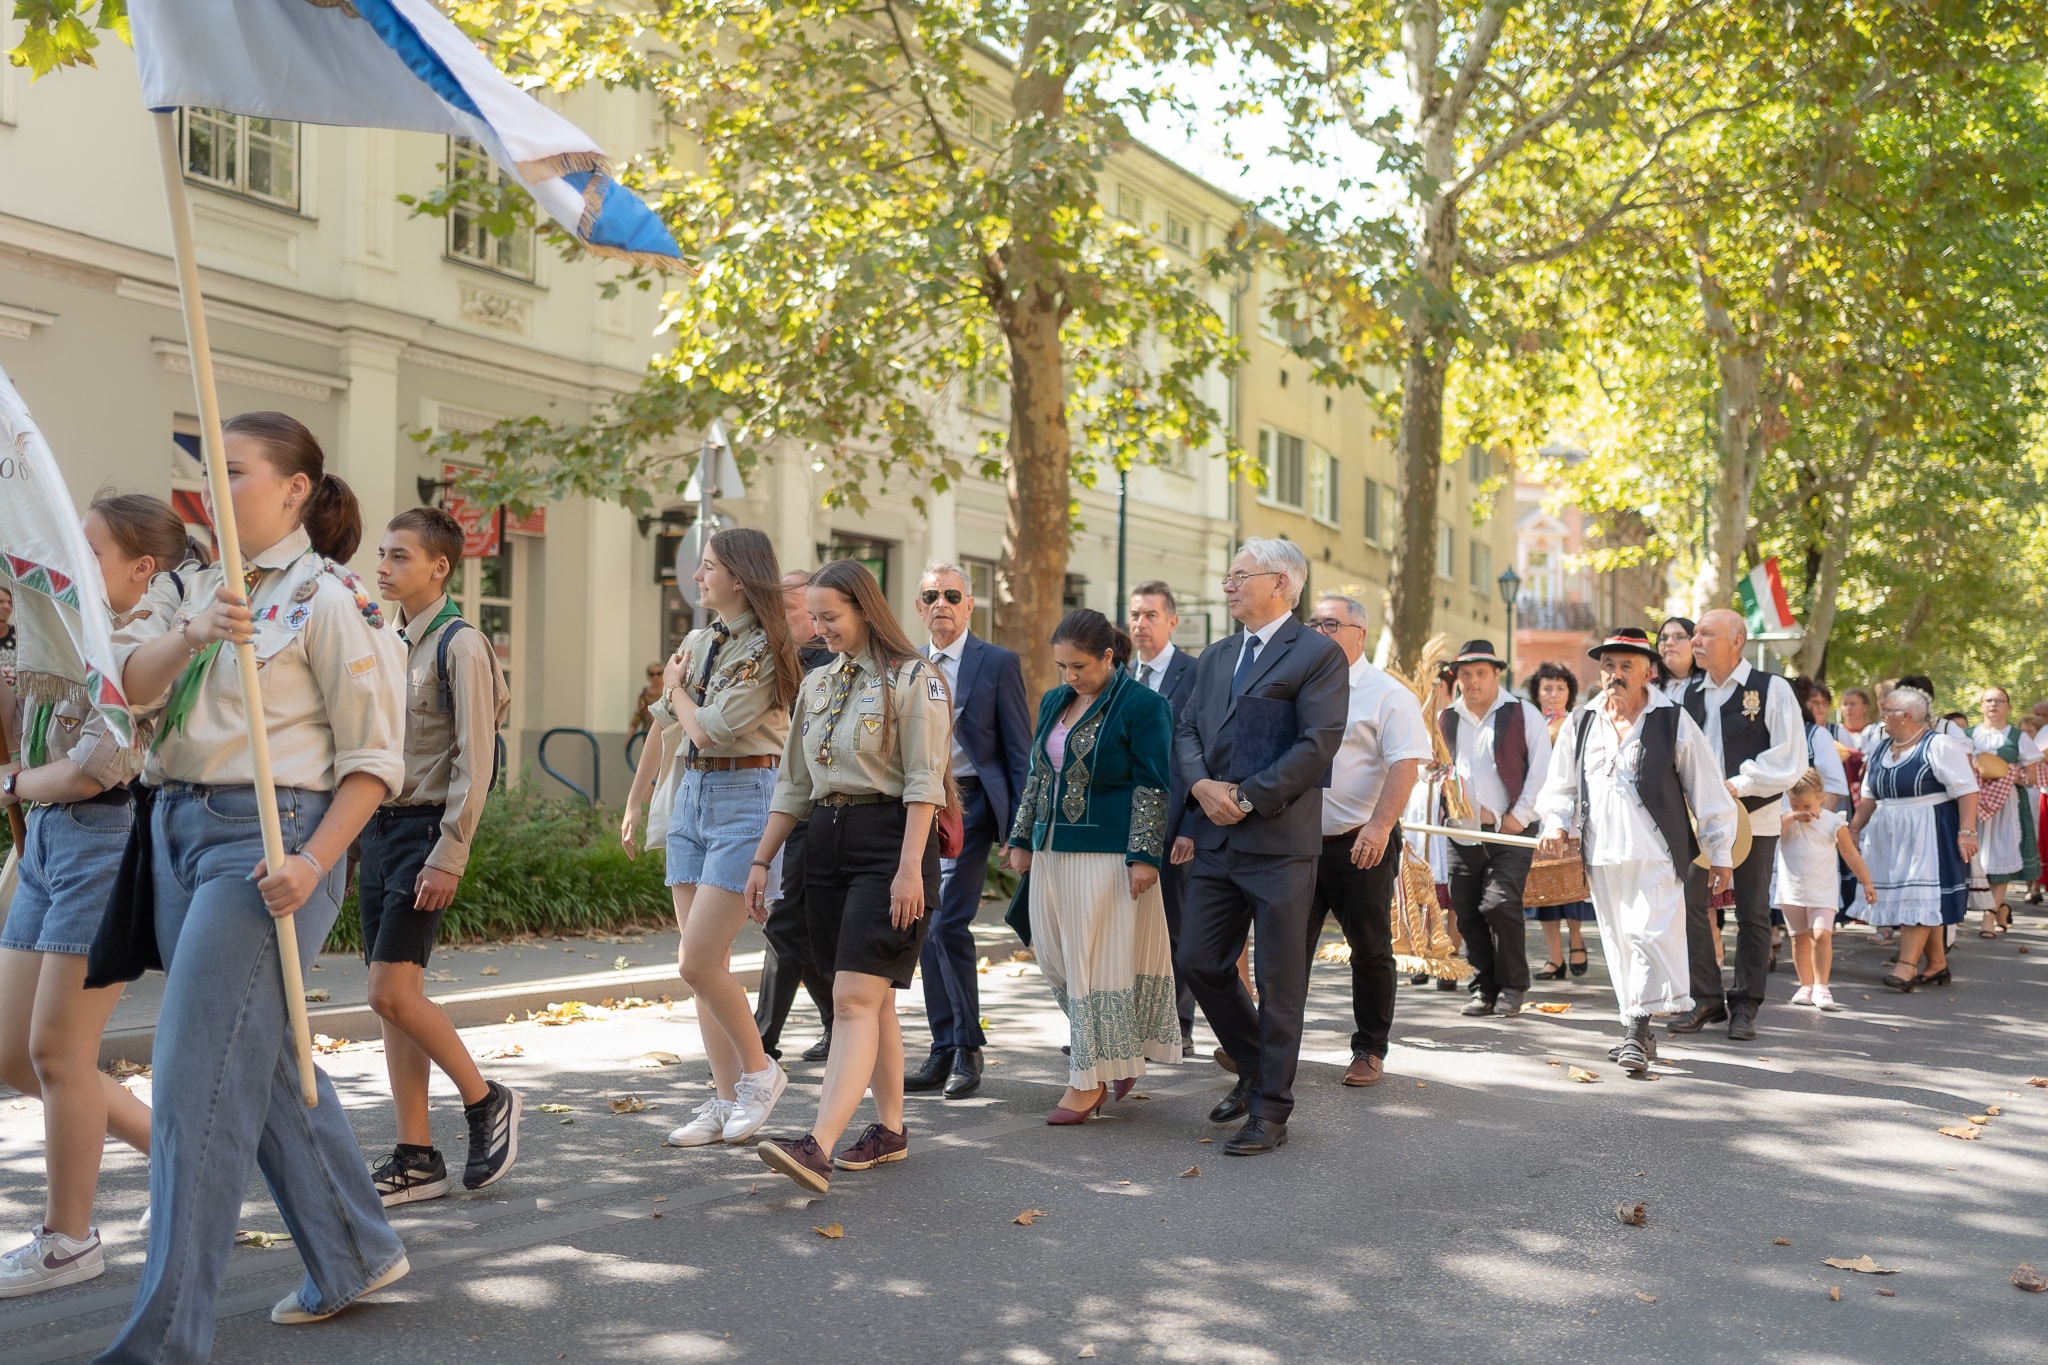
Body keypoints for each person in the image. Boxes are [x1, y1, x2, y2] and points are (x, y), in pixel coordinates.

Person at [102, 411, 409, 1357]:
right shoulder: (188, 585)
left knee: (193, 1079)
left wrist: (314, 862)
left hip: (273, 840)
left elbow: (374, 762)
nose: (212, 485)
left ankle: (166, 1337)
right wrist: (194, 632)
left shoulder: (333, 598)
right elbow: (128, 684)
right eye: (208, 468)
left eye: (233, 470)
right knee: (259, 1052)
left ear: (294, 488)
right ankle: (353, 1248)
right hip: (173, 829)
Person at [0, 494, 187, 1297]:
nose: (71, 561)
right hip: (47, 840)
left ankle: (69, 1238)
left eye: (90, 549)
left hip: (102, 840)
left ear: (141, 568)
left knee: (57, 1052)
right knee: (15, 1052)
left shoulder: (142, 645)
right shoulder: (62, 628)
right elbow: (26, 731)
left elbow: (95, 768)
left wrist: (13, 783)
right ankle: (184, 1162)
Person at [746, 560, 951, 1194]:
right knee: (873, 997)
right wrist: (761, 861)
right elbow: (793, 785)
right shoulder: (818, 682)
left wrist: (911, 869)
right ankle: (890, 1130)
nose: (819, 628)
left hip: (890, 843)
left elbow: (925, 781)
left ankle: (818, 1146)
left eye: (830, 616)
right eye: (814, 616)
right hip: (824, 843)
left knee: (854, 999)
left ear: (865, 608)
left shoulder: (916, 678)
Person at [357, 507, 519, 1206]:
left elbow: (476, 763)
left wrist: (450, 852)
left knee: (389, 992)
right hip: (378, 830)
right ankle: (416, 1153)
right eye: (382, 554)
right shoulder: (386, 640)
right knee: (396, 1002)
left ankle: (486, 1099)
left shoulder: (461, 645)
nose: (383, 566)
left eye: (399, 556)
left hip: (426, 833)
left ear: (439, 567)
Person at [1172, 538, 1348, 1156]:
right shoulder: (1217, 655)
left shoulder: (1318, 655)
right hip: (1216, 837)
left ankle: (1271, 1108)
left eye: (1239, 576)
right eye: (1228, 576)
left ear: (1280, 583)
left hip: (1279, 843)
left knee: (1279, 981)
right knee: (1197, 960)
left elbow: (1316, 745)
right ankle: (1253, 1066)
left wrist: (1245, 798)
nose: (1228, 586)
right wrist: (1202, 787)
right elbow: (1186, 728)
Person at [634, 528, 801, 1148]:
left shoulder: (765, 649)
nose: (698, 577)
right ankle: (726, 1096)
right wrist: (635, 800)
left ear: (739, 576)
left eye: (707, 567)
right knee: (706, 969)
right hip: (693, 796)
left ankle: (761, 1073)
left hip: (744, 797)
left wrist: (675, 689)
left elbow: (707, 728)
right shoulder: (699, 640)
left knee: (697, 960)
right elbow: (667, 724)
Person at [1535, 629, 1737, 1077]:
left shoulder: (1673, 720)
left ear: (1648, 673)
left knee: (1648, 935)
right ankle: (1638, 1030)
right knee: (1620, 943)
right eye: (1609, 666)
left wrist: (1720, 851)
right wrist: (1555, 823)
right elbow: (1560, 785)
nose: (1616, 674)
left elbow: (1707, 788)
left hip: (1658, 852)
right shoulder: (1582, 721)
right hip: (1602, 853)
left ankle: (1636, 1030)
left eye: (1626, 666)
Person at [1004, 609, 1179, 1122]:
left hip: (1106, 857)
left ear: (1108, 656)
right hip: (1050, 852)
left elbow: (1153, 785)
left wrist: (1144, 856)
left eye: (1079, 666)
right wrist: (1021, 837)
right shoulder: (1055, 700)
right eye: (1062, 666)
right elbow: (1038, 774)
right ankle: (1115, 1051)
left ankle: (1087, 1080)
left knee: (1090, 967)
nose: (1070, 676)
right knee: (1055, 959)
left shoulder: (1144, 705)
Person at [905, 562, 1029, 1101]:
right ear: (919, 607)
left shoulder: (997, 662)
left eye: (952, 595)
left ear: (970, 604)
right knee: (922, 924)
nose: (942, 604)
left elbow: (1020, 751)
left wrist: (1021, 830)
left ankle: (966, 1048)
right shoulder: (906, 664)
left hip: (972, 802)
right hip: (918, 805)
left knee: (946, 922)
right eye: (931, 595)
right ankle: (942, 1047)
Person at [1304, 595, 1430, 1087]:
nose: (1318, 632)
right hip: (1297, 843)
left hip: (1361, 843)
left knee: (1370, 949)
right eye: (1313, 623)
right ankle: (1268, 1045)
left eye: (1330, 624)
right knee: (1285, 948)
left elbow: (1405, 765)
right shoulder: (1299, 687)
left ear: (1360, 633)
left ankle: (1370, 1049)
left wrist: (1378, 828)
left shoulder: (1387, 694)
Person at [1671, 609, 1805, 1042]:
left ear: (1737, 640)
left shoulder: (1771, 689)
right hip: (1700, 822)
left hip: (1755, 819)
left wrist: (1738, 783)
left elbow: (1790, 758)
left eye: (1706, 634)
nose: (1695, 641)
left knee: (1752, 912)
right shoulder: (1686, 693)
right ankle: (1705, 998)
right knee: (1690, 905)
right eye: (1695, 634)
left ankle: (1746, 1005)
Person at [750, 568, 839, 1063]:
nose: (776, 619)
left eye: (786, 610)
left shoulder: (825, 663)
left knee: (784, 923)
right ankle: (837, 1020)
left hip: (813, 810)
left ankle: (760, 1041)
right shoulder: (778, 657)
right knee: (796, 927)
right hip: (779, 805)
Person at [1441, 639, 1552, 1018]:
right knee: (1467, 911)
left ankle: (1513, 986)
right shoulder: (1445, 718)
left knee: (1500, 903)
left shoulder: (1522, 713)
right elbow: (1429, 770)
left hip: (1510, 830)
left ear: (1496, 675)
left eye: (1481, 673)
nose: (1473, 681)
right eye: (1466, 674)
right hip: (1462, 831)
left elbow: (1542, 770)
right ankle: (1484, 987)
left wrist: (1519, 815)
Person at [1850, 685, 1978, 991]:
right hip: (1888, 833)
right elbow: (1868, 797)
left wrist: (1967, 832)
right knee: (1917, 899)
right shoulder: (1881, 748)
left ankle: (1907, 966)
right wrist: (1853, 830)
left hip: (1928, 830)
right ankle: (1936, 965)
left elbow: (1967, 790)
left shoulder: (1939, 745)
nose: (1882, 716)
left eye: (1887, 711)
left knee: (1918, 895)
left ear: (1905, 715)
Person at [1127, 579, 1200, 1057]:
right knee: (1127, 927)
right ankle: (1127, 1024)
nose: (1141, 624)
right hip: (1125, 822)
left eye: (1151, 615)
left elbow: (1207, 751)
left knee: (1176, 926)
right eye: (1135, 615)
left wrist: (1192, 826)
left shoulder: (1194, 674)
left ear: (1172, 621)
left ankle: (1178, 1024)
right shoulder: (1120, 675)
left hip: (1176, 823)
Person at [1775, 768, 1876, 1012]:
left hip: (1823, 890)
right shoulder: (1786, 820)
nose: (1802, 810)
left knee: (1821, 935)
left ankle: (1822, 986)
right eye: (1796, 804)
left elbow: (1850, 854)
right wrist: (1793, 815)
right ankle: (1805, 985)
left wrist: (1866, 882)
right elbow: (1773, 832)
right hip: (1792, 890)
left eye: (1807, 805)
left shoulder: (1833, 821)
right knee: (1799, 939)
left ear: (1821, 798)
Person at [1524, 661, 1596, 979]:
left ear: (1570, 692)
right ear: (1537, 692)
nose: (1553, 694)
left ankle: (1577, 941)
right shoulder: (1528, 725)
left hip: (1571, 813)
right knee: (1543, 887)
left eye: (1560, 688)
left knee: (1571, 881)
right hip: (1536, 813)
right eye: (1547, 688)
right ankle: (1554, 957)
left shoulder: (1579, 724)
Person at [1970, 685, 2039, 936]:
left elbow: (2031, 778)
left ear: (2008, 707)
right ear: (1981, 706)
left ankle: (1988, 918)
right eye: (1988, 700)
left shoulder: (2018, 738)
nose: (1993, 705)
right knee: (1978, 861)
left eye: (1999, 701)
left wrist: (2004, 773)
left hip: (2008, 805)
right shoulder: (1968, 735)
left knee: (2000, 861)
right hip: (1973, 805)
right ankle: (2000, 909)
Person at [1656, 616, 1696, 699]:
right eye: (1664, 638)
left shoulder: (1711, 687)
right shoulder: (1647, 690)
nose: (1669, 643)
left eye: (1679, 637)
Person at [631, 661, 665, 733]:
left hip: (667, 733)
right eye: (652, 674)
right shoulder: (644, 695)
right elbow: (636, 718)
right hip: (648, 733)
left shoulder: (668, 692)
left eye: (659, 673)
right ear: (648, 676)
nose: (656, 677)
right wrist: (628, 738)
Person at [0, 583, 16, 687]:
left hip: (16, 694)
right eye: (0, 601)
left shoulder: (20, 638)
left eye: (9, 603)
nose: (6, 606)